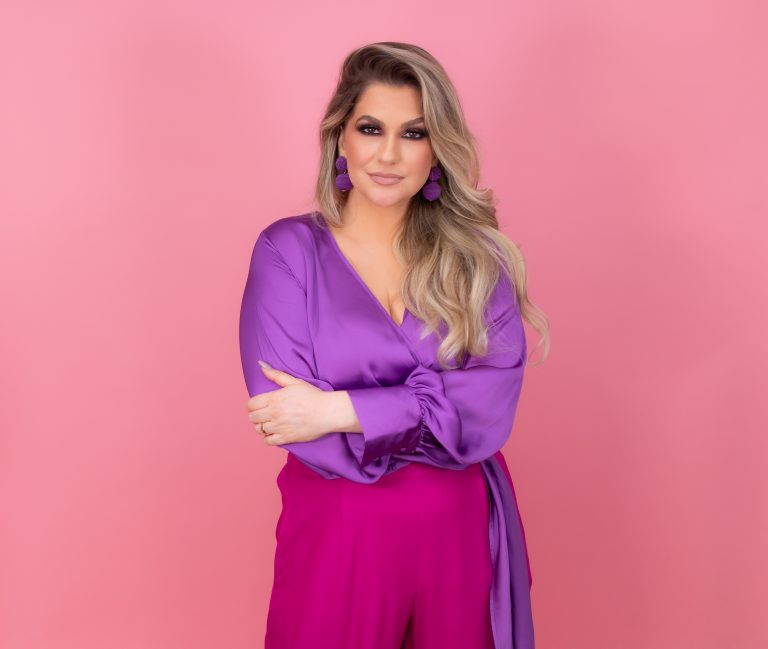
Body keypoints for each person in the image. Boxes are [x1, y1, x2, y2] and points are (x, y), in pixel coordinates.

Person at [239, 41, 550, 649]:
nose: (388, 154)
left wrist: (341, 408)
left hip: (460, 534)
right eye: (371, 128)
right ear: (341, 137)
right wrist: (433, 413)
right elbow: (286, 416)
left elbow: (488, 407)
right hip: (339, 534)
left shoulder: (476, 259)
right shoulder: (288, 253)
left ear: (436, 149)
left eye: (413, 133)